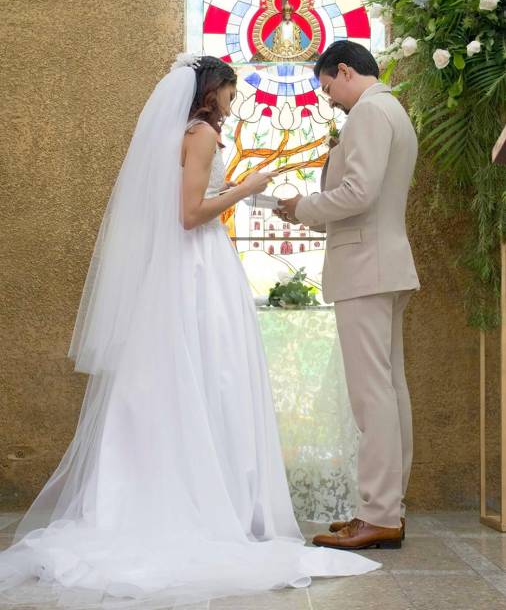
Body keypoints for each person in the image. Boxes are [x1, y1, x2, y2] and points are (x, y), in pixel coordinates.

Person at [0, 53, 379, 609]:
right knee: (212, 377)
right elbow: (190, 213)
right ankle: (212, 500)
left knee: (185, 381)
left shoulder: (188, 132)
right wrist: (249, 185)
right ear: (211, 92)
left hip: (186, 268)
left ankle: (178, 491)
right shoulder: (201, 134)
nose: (234, 100)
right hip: (198, 267)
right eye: (230, 91)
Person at [278, 40, 420, 551]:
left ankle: (379, 512)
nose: (330, 99)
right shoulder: (393, 110)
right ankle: (387, 507)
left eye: (327, 86)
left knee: (371, 394)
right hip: (386, 262)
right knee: (390, 389)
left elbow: (358, 192)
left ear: (343, 70)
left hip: (366, 266)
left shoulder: (368, 112)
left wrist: (303, 206)